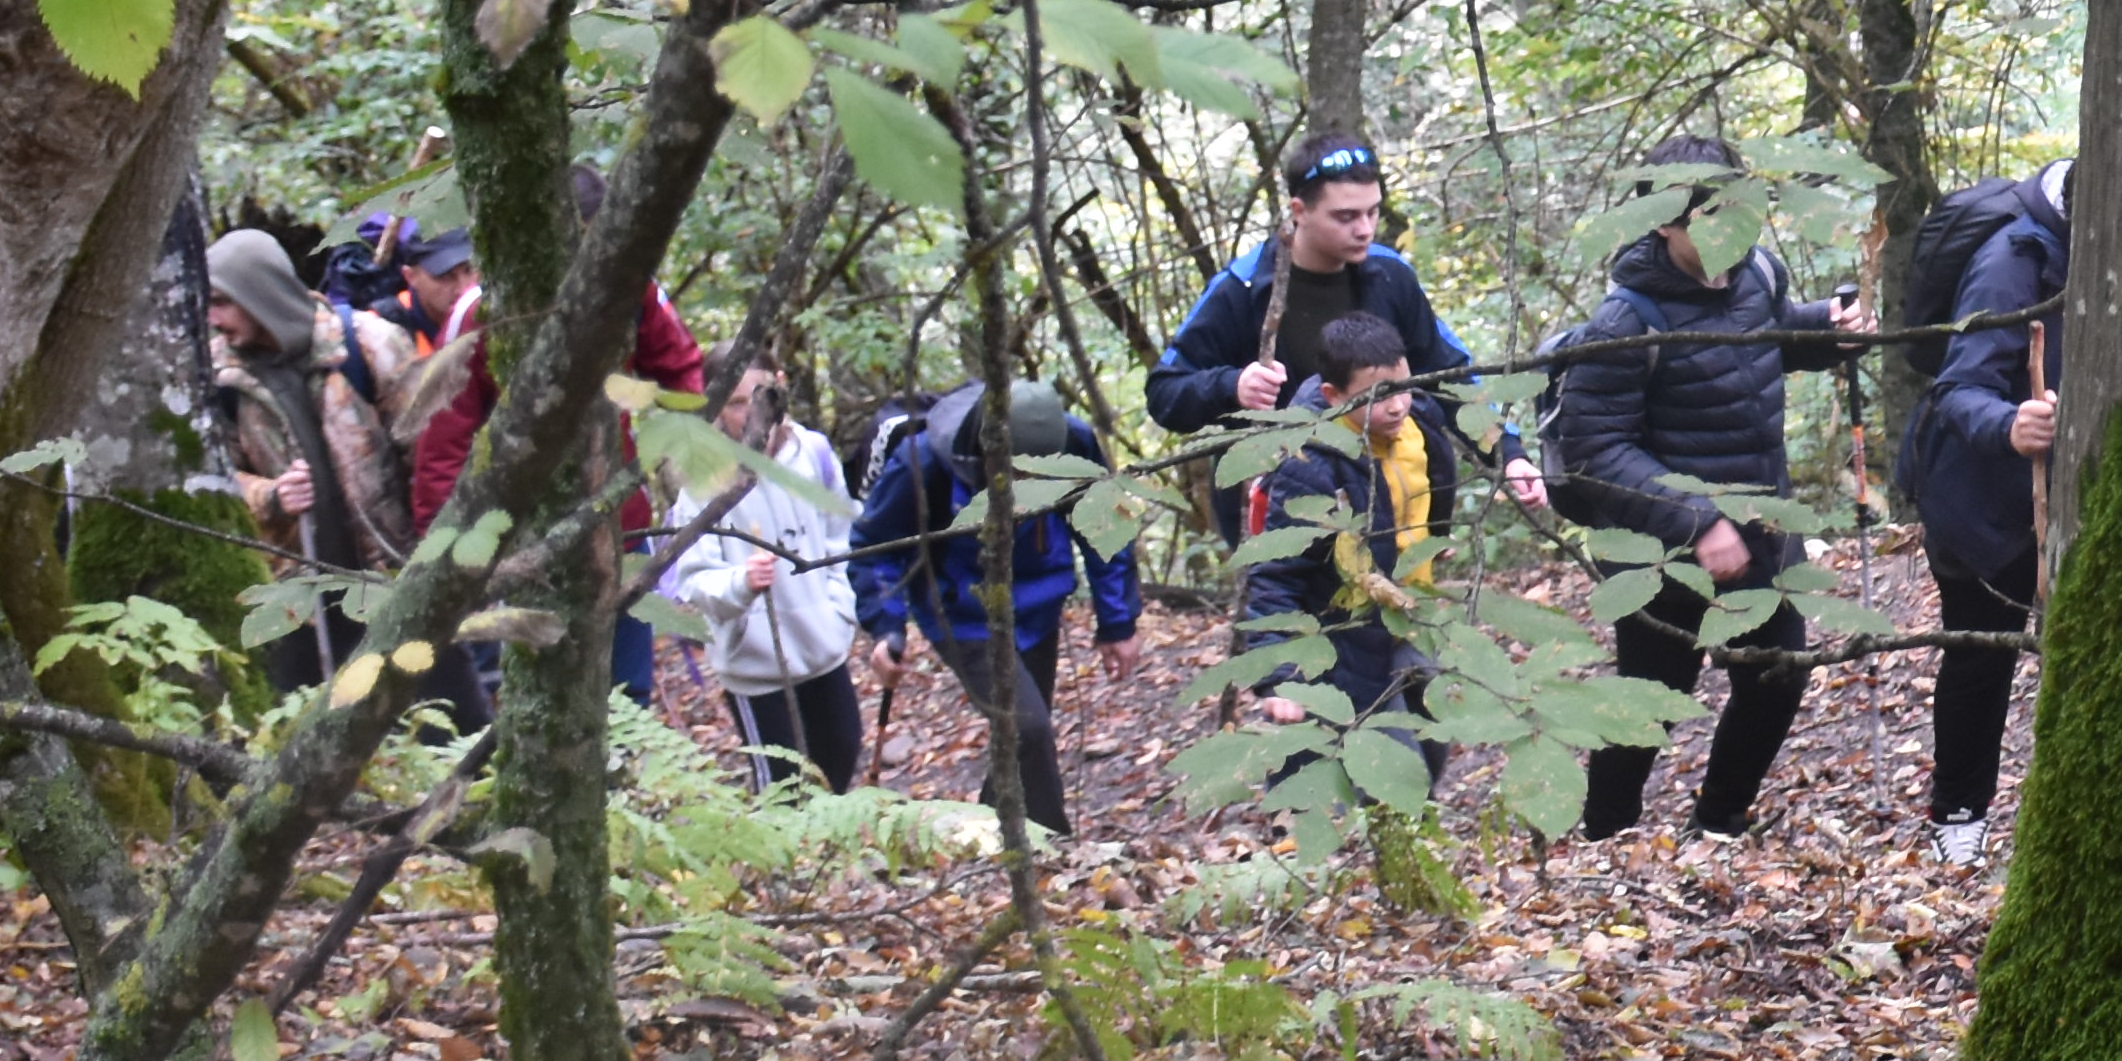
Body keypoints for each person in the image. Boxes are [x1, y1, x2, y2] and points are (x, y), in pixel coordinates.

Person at [1541, 138, 1852, 839]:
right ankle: (1607, 837)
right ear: (1663, 224)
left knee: (1778, 676)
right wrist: (1696, 520)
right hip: (1663, 553)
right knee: (1650, 704)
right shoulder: (1624, 322)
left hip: (1761, 535)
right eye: (1709, 218)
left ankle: (1719, 821)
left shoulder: (1758, 275)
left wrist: (1827, 334)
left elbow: (1761, 340)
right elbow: (1597, 447)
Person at [401, 180, 711, 707]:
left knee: (626, 691)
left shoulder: (633, 285)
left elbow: (681, 371)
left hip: (620, 524)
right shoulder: (483, 310)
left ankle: (619, 780)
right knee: (532, 692)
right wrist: (446, 548)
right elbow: (442, 438)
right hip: (520, 538)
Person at [1149, 136, 1552, 515]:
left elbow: (1449, 375)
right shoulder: (1243, 288)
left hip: (1389, 502)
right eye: (1346, 216)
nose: (1364, 228)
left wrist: (1509, 453)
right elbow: (1166, 393)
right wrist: (1231, 386)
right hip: (1282, 511)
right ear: (1299, 211)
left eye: (1372, 212)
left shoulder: (1390, 275)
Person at [850, 378, 1140, 838]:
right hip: (963, 615)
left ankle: (993, 834)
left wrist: (1117, 621)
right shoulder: (924, 461)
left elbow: (1107, 527)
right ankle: (1052, 849)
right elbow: (875, 547)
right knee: (1029, 731)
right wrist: (886, 627)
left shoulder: (1074, 441)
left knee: (1021, 738)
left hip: (1039, 602)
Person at [1896, 158, 2070, 866]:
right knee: (1981, 651)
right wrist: (2011, 424)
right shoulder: (2012, 261)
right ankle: (1958, 818)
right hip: (1975, 497)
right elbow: (1959, 384)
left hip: (2057, 492)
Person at [198, 230, 421, 691]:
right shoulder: (219, 376)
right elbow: (215, 475)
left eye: (222, 301)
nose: (212, 318)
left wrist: (437, 557)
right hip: (299, 600)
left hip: (393, 577)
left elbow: (429, 451)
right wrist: (270, 496)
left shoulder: (368, 344)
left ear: (256, 293)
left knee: (439, 720)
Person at [657, 355, 866, 790]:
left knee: (841, 752)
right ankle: (792, 859)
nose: (751, 415)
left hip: (822, 649)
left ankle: (824, 853)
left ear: (780, 388)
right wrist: (741, 584)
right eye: (734, 403)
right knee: (782, 785)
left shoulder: (813, 454)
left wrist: (839, 612)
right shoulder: (703, 481)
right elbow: (693, 578)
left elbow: (841, 537)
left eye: (759, 397)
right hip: (756, 668)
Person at [1238, 312, 1447, 733]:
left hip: (1411, 620)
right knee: (1386, 776)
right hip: (1347, 640)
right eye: (1378, 395)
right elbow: (1278, 573)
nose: (1396, 404)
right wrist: (1279, 674)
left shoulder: (1417, 423)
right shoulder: (1311, 463)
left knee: (1435, 739)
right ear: (1334, 396)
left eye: (1403, 386)